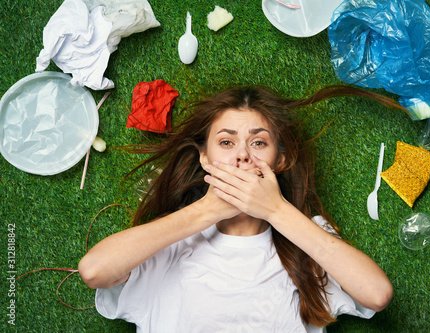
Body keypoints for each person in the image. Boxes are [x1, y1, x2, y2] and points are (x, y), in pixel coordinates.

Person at [78, 85, 397, 332]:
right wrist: (208, 211)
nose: (243, 155)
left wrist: (276, 211)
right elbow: (94, 271)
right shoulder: (171, 238)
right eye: (227, 143)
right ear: (205, 158)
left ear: (280, 160)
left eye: (259, 143)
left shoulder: (304, 238)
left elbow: (377, 294)